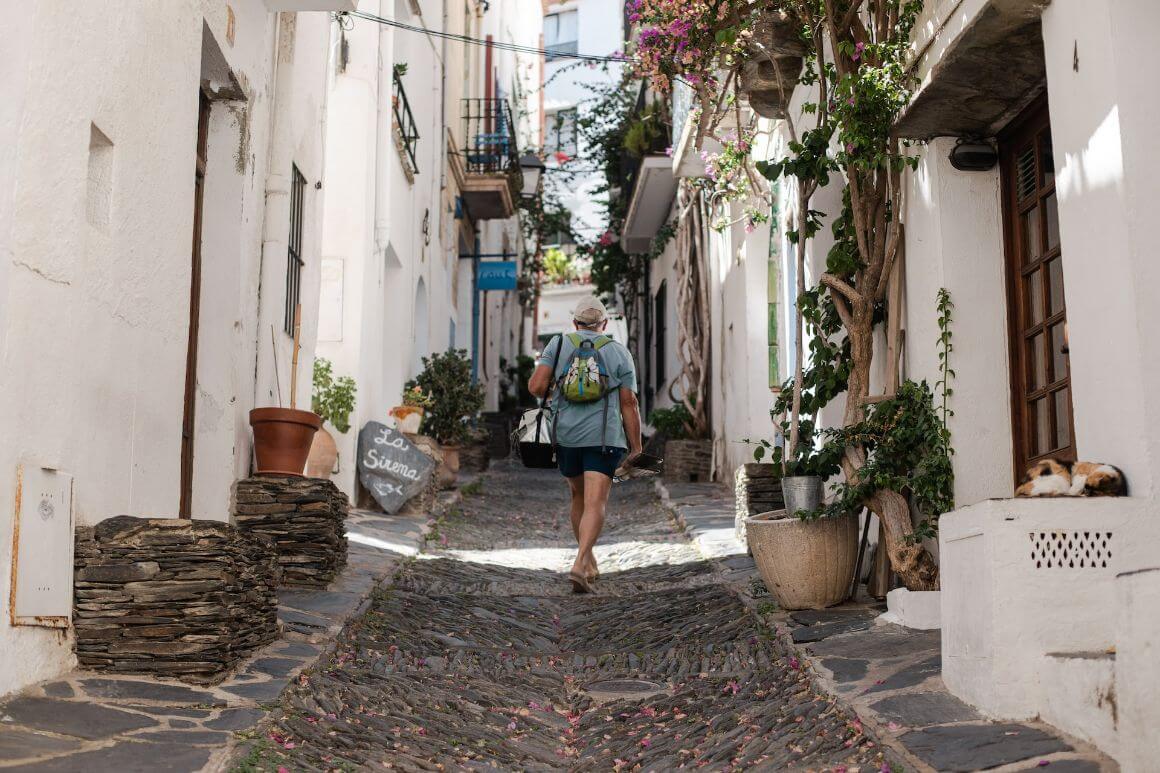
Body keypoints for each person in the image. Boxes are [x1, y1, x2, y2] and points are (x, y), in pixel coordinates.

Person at [528, 295, 642, 594]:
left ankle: (588, 560)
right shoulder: (619, 352)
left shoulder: (558, 344)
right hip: (604, 438)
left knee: (577, 497)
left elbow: (536, 387)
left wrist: (556, 379)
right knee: (596, 502)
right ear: (604, 323)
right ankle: (580, 562)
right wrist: (637, 446)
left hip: (565, 435)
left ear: (574, 322)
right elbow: (628, 403)